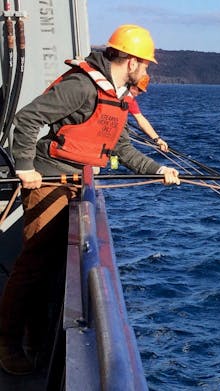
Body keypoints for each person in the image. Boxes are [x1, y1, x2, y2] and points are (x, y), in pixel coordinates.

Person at [0, 24, 179, 375]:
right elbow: (26, 120)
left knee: (49, 268)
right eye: (145, 63)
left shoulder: (114, 96)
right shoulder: (82, 87)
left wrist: (158, 170)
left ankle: (35, 337)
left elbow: (122, 147)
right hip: (49, 181)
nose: (147, 71)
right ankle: (6, 341)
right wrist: (23, 167)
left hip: (76, 186)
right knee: (31, 266)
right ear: (129, 61)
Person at [126, 74, 169, 152]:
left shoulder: (130, 100)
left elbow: (140, 119)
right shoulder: (126, 97)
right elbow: (140, 119)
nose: (140, 93)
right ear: (132, 86)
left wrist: (157, 139)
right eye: (140, 90)